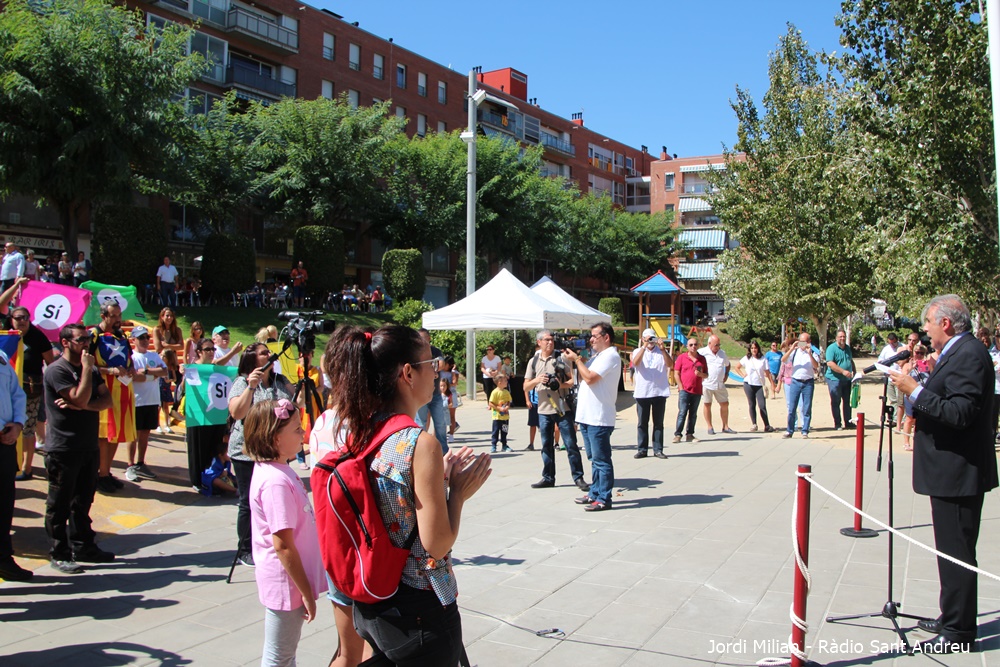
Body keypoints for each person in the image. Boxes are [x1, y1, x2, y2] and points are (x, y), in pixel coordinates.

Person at [324, 324, 491, 665]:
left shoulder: (363, 429)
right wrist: (457, 494)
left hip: (374, 601)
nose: (437, 371)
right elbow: (437, 544)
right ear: (408, 374)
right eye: (430, 363)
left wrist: (436, 478)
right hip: (419, 608)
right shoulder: (419, 443)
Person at [889, 295, 998, 654]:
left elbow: (960, 413)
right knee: (950, 551)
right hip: (950, 471)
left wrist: (915, 391)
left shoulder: (969, 354)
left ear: (946, 323)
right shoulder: (957, 351)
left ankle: (958, 632)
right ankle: (952, 615)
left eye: (928, 324)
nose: (925, 331)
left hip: (958, 472)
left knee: (957, 554)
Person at [241, 398, 326, 666]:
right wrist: (306, 591)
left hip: (289, 581)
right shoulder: (275, 482)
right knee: (279, 656)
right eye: (297, 429)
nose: (303, 433)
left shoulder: (278, 470)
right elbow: (283, 545)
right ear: (276, 439)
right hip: (286, 583)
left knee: (284, 654)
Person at [44, 323, 115, 574]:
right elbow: (82, 397)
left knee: (83, 501)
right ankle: (59, 552)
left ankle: (83, 546)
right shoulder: (57, 370)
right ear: (65, 342)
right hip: (64, 447)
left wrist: (82, 405)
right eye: (81, 339)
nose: (86, 343)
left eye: (87, 339)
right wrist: (85, 374)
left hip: (88, 444)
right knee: (59, 503)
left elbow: (107, 400)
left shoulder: (92, 369)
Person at [228, 343, 297, 568]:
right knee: (248, 501)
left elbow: (297, 405)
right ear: (252, 358)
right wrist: (250, 387)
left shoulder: (279, 380)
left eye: (269, 352)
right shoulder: (242, 382)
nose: (269, 355)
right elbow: (237, 412)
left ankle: (272, 542)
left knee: (276, 499)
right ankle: (245, 549)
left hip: (274, 451)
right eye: (263, 353)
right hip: (246, 451)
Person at [563, 322, 621, 512]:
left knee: (602, 460)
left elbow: (589, 378)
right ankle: (595, 492)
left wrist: (577, 360)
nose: (591, 340)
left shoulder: (610, 356)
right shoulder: (597, 356)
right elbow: (580, 377)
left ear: (606, 337)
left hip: (599, 417)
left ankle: (604, 498)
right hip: (588, 416)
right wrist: (576, 360)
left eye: (595, 336)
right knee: (594, 459)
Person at [525, 330, 588, 491]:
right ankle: (548, 478)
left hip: (562, 408)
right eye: (546, 340)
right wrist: (537, 380)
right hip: (543, 410)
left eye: (552, 340)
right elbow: (525, 386)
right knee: (546, 446)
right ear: (539, 342)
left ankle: (578, 477)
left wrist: (560, 384)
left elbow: (572, 381)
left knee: (571, 444)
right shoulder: (533, 361)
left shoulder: (562, 358)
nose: (550, 342)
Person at [89, 303, 136, 494]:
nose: (118, 319)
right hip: (103, 390)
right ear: (103, 316)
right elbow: (87, 364)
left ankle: (106, 472)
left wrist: (131, 368)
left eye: (119, 315)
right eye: (114, 315)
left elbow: (129, 358)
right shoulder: (93, 335)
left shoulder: (121, 335)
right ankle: (99, 475)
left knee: (117, 432)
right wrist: (109, 370)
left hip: (123, 389)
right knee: (104, 435)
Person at [11, 306, 57, 481]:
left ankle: (27, 468)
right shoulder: (7, 335)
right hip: (8, 388)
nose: (22, 321)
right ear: (11, 319)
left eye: (25, 317)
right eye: (18, 318)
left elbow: (50, 363)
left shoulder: (38, 336)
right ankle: (12, 464)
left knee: (27, 429)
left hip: (30, 390)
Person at [0, 344, 28, 580]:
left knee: (4, 503)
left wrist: (18, 424)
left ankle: (3, 559)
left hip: (5, 441)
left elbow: (16, 394)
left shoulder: (1, 358)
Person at [184, 340, 227, 489]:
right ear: (199, 351)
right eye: (207, 349)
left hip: (215, 415)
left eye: (213, 349)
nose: (211, 352)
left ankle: (213, 478)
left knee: (214, 448)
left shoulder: (217, 369)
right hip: (198, 417)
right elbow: (186, 388)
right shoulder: (193, 368)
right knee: (198, 449)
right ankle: (198, 480)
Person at [125, 326, 166, 483]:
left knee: (145, 434)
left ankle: (140, 463)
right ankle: (130, 465)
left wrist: (147, 372)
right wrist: (152, 375)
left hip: (152, 400)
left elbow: (164, 371)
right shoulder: (131, 357)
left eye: (146, 337)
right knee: (133, 435)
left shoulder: (153, 355)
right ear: (133, 339)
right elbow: (134, 376)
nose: (144, 340)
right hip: (136, 401)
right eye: (140, 337)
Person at [632, 328, 672, 458]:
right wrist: (644, 347)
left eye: (652, 338)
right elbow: (635, 363)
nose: (650, 341)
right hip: (643, 392)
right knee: (642, 423)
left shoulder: (661, 351)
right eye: (648, 338)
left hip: (659, 391)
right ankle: (642, 449)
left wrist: (663, 349)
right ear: (643, 339)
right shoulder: (638, 351)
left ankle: (658, 449)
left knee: (658, 423)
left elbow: (670, 364)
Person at [414, 329, 447, 453]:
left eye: (424, 338)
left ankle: (443, 451)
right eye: (419, 338)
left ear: (429, 338)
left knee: (440, 424)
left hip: (436, 394)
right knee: (420, 424)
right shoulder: (414, 352)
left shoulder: (435, 351)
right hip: (420, 393)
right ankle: (419, 450)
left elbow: (441, 364)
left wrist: (430, 367)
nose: (422, 341)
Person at [782, 332, 820, 439]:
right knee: (792, 408)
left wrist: (809, 353)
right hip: (795, 381)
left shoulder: (813, 352)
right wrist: (792, 348)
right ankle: (789, 430)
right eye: (801, 342)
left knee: (806, 407)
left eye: (805, 342)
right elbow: (783, 360)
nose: (803, 344)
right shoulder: (795, 352)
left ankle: (805, 430)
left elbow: (816, 365)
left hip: (808, 382)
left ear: (809, 342)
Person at [673, 339, 708, 443]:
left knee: (693, 413)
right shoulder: (682, 357)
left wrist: (700, 374)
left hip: (697, 390)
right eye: (691, 345)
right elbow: (676, 373)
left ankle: (690, 434)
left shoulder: (702, 359)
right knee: (682, 412)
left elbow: (706, 374)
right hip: (684, 390)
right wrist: (681, 387)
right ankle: (678, 434)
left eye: (695, 344)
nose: (693, 346)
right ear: (687, 346)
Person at [734, 340, 773, 432]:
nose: (754, 350)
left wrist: (772, 383)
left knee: (762, 405)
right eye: (752, 348)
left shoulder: (763, 359)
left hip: (759, 385)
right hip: (748, 384)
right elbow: (737, 367)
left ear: (758, 348)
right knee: (752, 404)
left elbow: (767, 372)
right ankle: (754, 424)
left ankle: (767, 425)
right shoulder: (747, 358)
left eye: (755, 348)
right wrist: (743, 375)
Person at [699, 335, 735, 435]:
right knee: (707, 404)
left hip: (719, 383)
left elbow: (728, 364)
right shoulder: (702, 352)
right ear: (709, 344)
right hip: (707, 383)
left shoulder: (722, 353)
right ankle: (709, 426)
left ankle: (725, 426)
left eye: (719, 345)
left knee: (725, 403)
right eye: (716, 345)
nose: (718, 347)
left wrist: (726, 374)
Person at [977, 328, 1000, 441]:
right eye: (998, 336)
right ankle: (991, 439)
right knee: (992, 417)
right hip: (994, 389)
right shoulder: (989, 353)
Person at [158, 349, 182, 434]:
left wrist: (169, 380)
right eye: (161, 355)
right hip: (159, 387)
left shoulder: (170, 367)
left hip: (166, 388)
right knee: (158, 407)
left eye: (164, 356)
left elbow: (175, 378)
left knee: (165, 407)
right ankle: (158, 425)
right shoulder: (158, 366)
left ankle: (166, 425)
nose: (162, 357)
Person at [488, 373, 513, 453]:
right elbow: (490, 403)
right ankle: (493, 445)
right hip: (497, 416)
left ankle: (504, 445)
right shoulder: (495, 392)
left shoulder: (506, 392)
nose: (507, 382)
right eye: (505, 381)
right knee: (495, 431)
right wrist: (498, 408)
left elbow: (509, 401)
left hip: (505, 416)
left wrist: (507, 407)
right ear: (499, 382)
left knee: (504, 431)